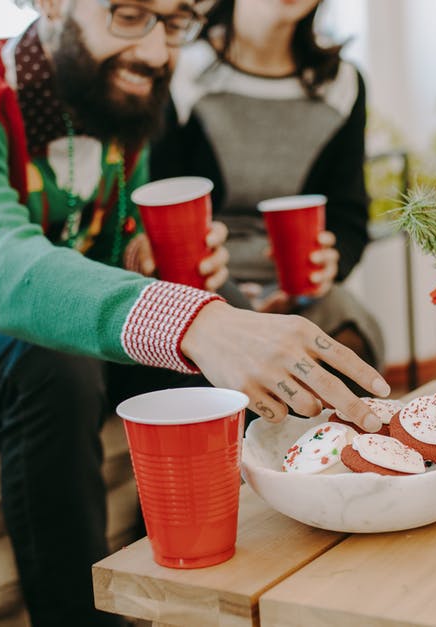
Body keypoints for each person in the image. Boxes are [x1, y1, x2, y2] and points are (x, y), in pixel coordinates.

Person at [0, 0, 390, 624]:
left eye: (176, 20)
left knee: (220, 319)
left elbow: (99, 244)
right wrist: (191, 320)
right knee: (60, 359)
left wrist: (157, 267)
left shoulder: (109, 100)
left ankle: (284, 584)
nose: (159, 51)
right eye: (130, 14)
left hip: (10, 354)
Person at [151, 0, 385, 369]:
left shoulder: (341, 84)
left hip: (300, 293)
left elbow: (348, 215)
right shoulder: (181, 70)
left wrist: (328, 261)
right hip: (204, 285)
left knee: (349, 349)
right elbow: (158, 205)